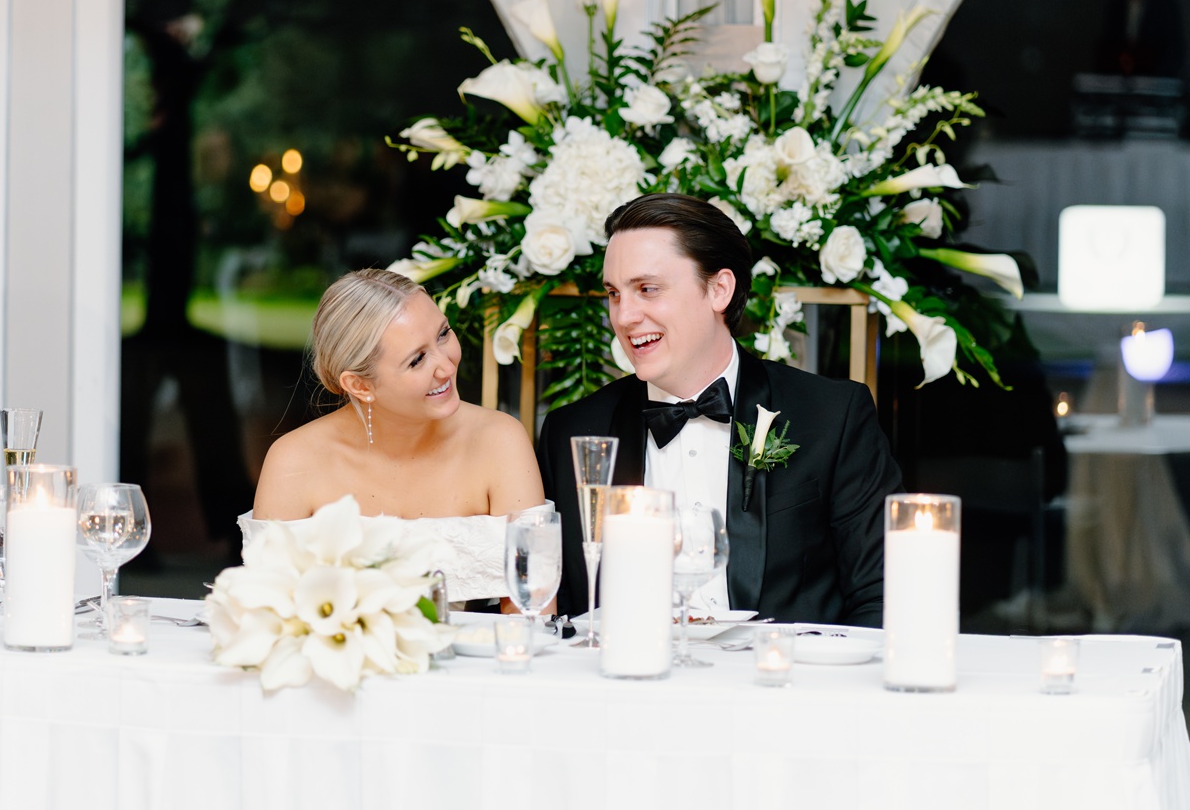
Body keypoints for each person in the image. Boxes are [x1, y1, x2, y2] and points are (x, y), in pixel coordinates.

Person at [538, 194, 903, 626]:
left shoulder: (832, 416)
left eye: (647, 289)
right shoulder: (573, 433)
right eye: (615, 294)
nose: (624, 316)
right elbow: (549, 604)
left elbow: (883, 597)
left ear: (719, 289)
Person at [248, 268, 546, 602]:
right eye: (417, 359)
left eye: (443, 334)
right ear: (360, 385)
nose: (447, 367)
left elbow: (533, 611)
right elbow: (270, 612)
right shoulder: (294, 462)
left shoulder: (500, 441)